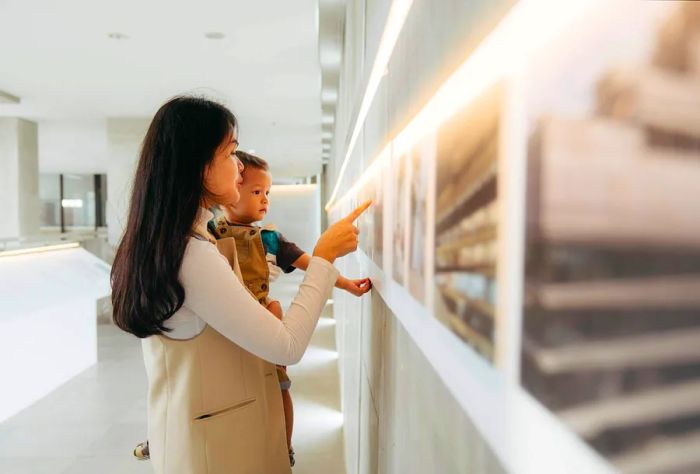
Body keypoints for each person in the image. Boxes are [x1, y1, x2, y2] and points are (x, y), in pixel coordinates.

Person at [111, 96, 370, 474]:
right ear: (200, 167)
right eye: (231, 153)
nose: (238, 166)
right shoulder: (192, 254)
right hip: (218, 452)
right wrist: (324, 258)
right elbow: (287, 345)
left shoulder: (174, 244)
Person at [208, 150, 371, 465]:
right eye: (256, 192)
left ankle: (285, 448)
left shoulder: (270, 239)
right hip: (228, 326)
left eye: (267, 192)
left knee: (279, 386)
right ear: (230, 192)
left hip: (262, 324)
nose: (265, 199)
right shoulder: (210, 235)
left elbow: (315, 265)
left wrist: (347, 284)